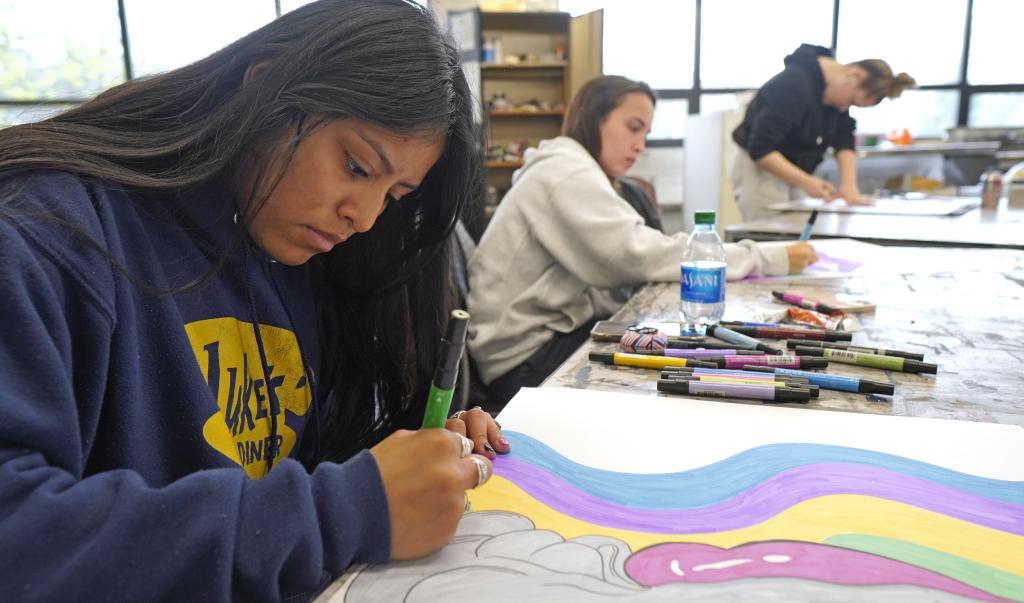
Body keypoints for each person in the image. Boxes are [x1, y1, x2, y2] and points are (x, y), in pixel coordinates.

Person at [0, 1, 509, 600]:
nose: (366, 216)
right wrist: (346, 509)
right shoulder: (49, 236)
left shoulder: (288, 253)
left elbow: (274, 474)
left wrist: (411, 467)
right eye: (356, 165)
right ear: (265, 89)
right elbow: (18, 538)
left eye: (394, 195)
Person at [466, 75, 817, 413]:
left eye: (646, 133)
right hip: (521, 360)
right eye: (633, 128)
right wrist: (767, 257)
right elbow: (641, 253)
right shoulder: (565, 173)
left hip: (539, 340)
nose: (640, 145)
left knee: (678, 350)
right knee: (677, 379)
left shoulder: (574, 168)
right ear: (593, 119)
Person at [731, 43, 917, 221]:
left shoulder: (833, 94)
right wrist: (807, 182)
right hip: (761, 168)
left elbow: (844, 137)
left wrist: (848, 185)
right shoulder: (792, 85)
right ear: (856, 75)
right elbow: (761, 148)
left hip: (797, 170)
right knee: (769, 234)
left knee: (800, 234)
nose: (845, 109)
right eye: (851, 101)